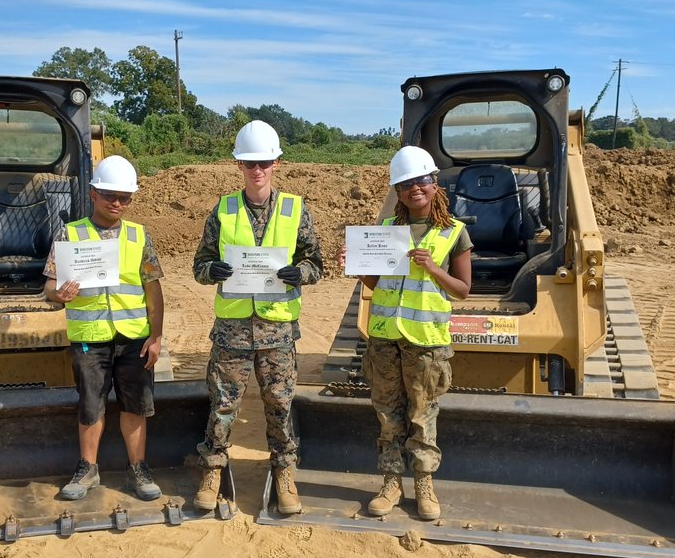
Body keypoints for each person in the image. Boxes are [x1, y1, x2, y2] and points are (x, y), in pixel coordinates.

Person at [192, 120, 323, 515]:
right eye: (250, 163)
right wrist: (210, 271)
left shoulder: (296, 209)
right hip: (232, 330)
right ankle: (213, 469)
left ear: (276, 163)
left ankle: (284, 472)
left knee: (279, 405)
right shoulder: (223, 209)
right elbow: (199, 264)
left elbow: (315, 264)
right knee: (222, 405)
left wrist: (299, 273)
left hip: (278, 329)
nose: (257, 170)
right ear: (239, 166)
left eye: (264, 162)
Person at [336, 145, 472, 521]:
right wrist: (357, 267)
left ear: (434, 184)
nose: (416, 188)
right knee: (387, 413)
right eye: (407, 184)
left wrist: (432, 268)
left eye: (422, 181)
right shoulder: (384, 231)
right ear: (398, 191)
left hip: (426, 343)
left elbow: (462, 289)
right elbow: (376, 283)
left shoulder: (453, 233)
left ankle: (424, 483)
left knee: (422, 414)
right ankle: (391, 481)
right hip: (383, 338)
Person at [45, 155, 165, 501]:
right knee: (91, 405)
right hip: (90, 340)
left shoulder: (139, 236)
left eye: (124, 198)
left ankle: (138, 469)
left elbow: (153, 292)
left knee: (136, 406)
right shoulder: (70, 234)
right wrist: (61, 294)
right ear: (93, 193)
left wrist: (156, 337)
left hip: (133, 340)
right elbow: (50, 288)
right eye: (110, 195)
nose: (117, 203)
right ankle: (87, 469)